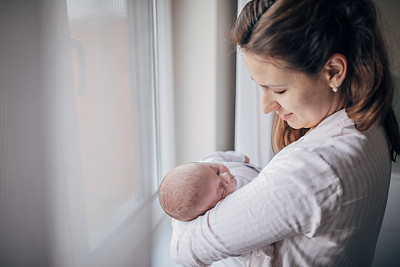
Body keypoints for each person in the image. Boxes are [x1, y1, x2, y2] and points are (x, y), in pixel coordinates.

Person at [170, 0, 400, 266]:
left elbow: (183, 248)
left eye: (279, 90)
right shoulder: (370, 120)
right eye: (260, 86)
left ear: (334, 72)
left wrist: (190, 186)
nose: (266, 107)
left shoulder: (313, 169)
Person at [159, 151, 274, 266]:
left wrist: (242, 158)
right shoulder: (234, 208)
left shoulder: (210, 161)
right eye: (222, 189)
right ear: (209, 210)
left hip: (257, 169)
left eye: (217, 170)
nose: (226, 177)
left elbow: (221, 156)